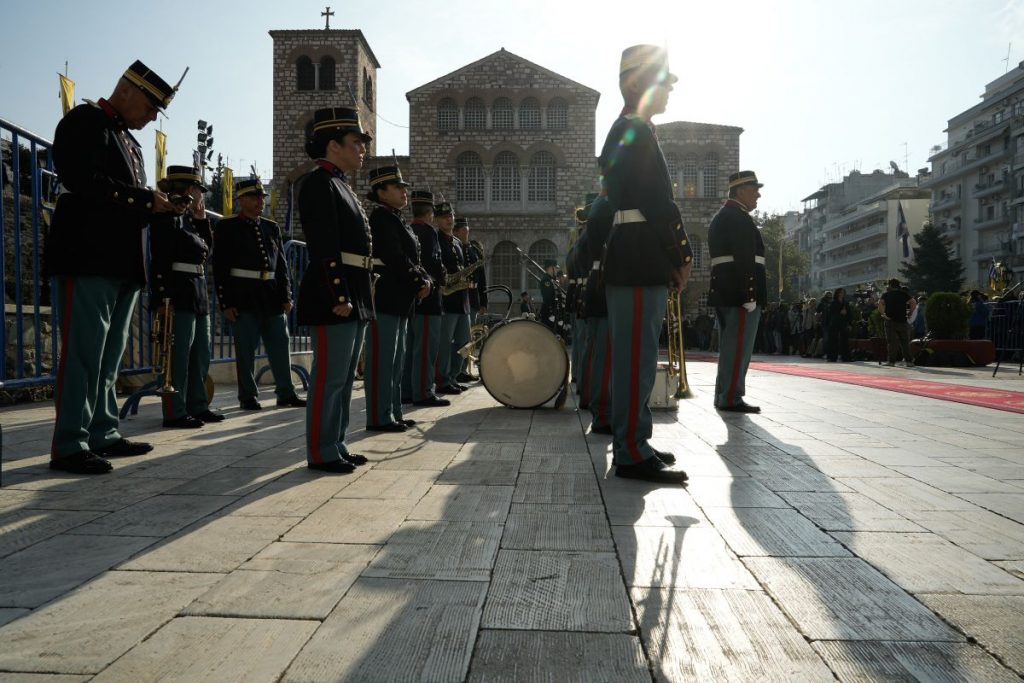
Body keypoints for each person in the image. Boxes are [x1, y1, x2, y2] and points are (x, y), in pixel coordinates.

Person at [46, 60, 183, 474]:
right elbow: (83, 179)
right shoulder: (85, 121)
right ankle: (70, 442)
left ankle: (103, 430)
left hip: (122, 261)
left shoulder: (131, 143)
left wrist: (160, 208)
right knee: (83, 354)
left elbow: (124, 199)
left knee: (108, 356)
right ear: (127, 91)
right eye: (150, 106)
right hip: (88, 256)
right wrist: (144, 201)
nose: (152, 116)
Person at [587, 45, 693, 483]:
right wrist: (681, 253)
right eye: (661, 81)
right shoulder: (633, 130)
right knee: (636, 358)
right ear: (636, 84)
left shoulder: (633, 129)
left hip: (634, 255)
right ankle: (631, 450)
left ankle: (638, 438)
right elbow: (657, 200)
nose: (668, 89)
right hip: (637, 255)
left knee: (640, 353)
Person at [296, 106, 375, 473]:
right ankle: (321, 450)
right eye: (356, 142)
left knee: (343, 380)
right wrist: (339, 295)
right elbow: (324, 245)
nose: (362, 149)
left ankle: (336, 443)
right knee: (328, 379)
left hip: (355, 292)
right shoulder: (317, 183)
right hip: (336, 294)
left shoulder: (340, 184)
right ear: (333, 145)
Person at [213, 178, 305, 410]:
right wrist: (226, 302)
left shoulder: (270, 226)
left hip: (271, 296)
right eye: (254, 197)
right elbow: (220, 267)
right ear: (241, 199)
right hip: (243, 297)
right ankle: (248, 396)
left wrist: (286, 295)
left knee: (280, 345)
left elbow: (281, 266)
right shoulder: (227, 226)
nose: (259, 202)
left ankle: (286, 392)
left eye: (261, 197)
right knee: (245, 351)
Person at [150, 165, 224, 428]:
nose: (202, 195)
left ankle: (198, 404)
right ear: (189, 190)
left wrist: (203, 221)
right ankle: (175, 411)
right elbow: (159, 259)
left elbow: (206, 251)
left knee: (200, 354)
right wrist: (161, 298)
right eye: (199, 190)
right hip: (177, 292)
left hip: (197, 291)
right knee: (177, 356)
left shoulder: (192, 219)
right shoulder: (166, 216)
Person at [364, 165, 431, 432]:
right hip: (387, 297)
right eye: (397, 187)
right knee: (382, 360)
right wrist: (418, 281)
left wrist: (425, 278)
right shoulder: (381, 218)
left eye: (404, 187)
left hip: (401, 298)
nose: (404, 192)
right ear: (381, 192)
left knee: (396, 359)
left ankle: (392, 411)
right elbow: (394, 256)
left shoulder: (396, 218)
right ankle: (379, 417)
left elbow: (412, 258)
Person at [708, 171, 767, 413]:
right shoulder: (738, 218)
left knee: (731, 346)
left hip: (727, 290)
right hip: (738, 294)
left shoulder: (725, 215)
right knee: (738, 347)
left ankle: (724, 394)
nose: (758, 195)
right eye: (754, 190)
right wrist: (749, 295)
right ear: (741, 191)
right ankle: (731, 396)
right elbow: (744, 259)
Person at [404, 191, 450, 407]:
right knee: (425, 350)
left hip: (412, 298)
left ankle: (406, 391)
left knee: (410, 349)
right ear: (431, 213)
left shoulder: (408, 229)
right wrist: (442, 276)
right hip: (429, 299)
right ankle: (423, 392)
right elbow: (433, 263)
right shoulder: (428, 233)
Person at [434, 201, 470, 394]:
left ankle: (454, 375)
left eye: (451, 216)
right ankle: (443, 379)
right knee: (445, 343)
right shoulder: (436, 240)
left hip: (462, 300)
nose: (449, 219)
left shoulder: (457, 243)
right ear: (437, 220)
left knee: (464, 341)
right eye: (444, 217)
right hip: (447, 301)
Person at [452, 217, 484, 383]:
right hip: (459, 295)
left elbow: (482, 277)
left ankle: (463, 368)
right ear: (456, 231)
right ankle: (457, 369)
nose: (466, 233)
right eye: (463, 230)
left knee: (468, 338)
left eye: (467, 230)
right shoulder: (455, 248)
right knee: (460, 337)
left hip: (472, 295)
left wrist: (483, 301)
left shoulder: (473, 250)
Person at [878, 277, 916, 367]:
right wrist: (910, 312)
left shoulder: (886, 294)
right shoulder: (904, 294)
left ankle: (891, 362)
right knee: (905, 342)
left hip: (890, 321)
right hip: (902, 321)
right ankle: (909, 362)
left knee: (892, 342)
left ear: (890, 285)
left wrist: (883, 314)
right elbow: (913, 302)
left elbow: (880, 304)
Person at [827, 287, 852, 362]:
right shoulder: (833, 302)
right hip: (835, 323)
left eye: (843, 292)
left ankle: (845, 357)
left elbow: (849, 314)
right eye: (840, 292)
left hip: (843, 323)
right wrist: (839, 313)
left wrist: (849, 323)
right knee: (833, 340)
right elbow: (831, 313)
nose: (842, 294)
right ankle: (832, 357)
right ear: (837, 293)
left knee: (844, 340)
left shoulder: (845, 302)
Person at [538, 261, 559, 332]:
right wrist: (551, 312)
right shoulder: (546, 280)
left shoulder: (550, 279)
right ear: (551, 268)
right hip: (548, 311)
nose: (557, 270)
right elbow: (547, 297)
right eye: (555, 268)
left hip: (552, 310)